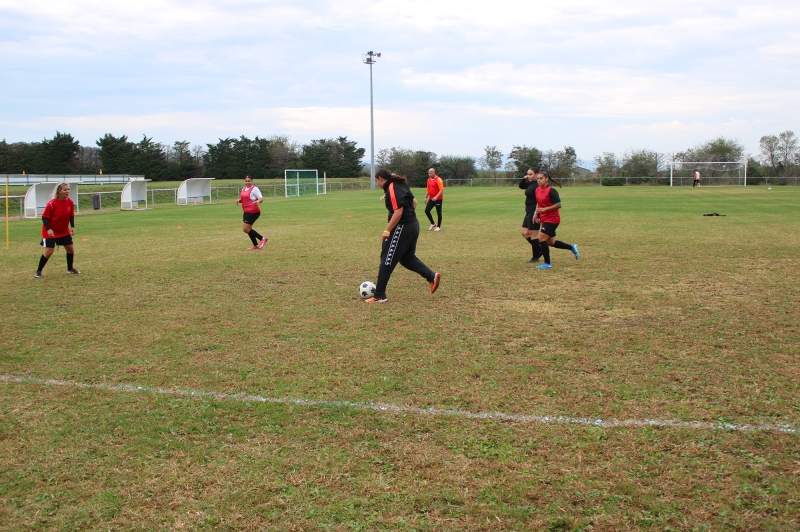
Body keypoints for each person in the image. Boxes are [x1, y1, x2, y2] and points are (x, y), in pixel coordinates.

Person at [365, 169, 441, 303]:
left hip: (403, 226)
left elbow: (398, 212)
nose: (377, 184)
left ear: (380, 179)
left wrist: (387, 230)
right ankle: (431, 276)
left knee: (387, 258)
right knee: (406, 258)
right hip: (413, 225)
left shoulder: (392, 188)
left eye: (376, 181)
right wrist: (409, 216)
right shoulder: (399, 184)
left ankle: (379, 295)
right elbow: (415, 203)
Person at [534, 171, 579, 269]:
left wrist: (545, 209)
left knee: (542, 239)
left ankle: (547, 263)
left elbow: (558, 205)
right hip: (544, 218)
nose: (539, 180)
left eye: (541, 178)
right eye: (537, 179)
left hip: (553, 219)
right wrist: (536, 214)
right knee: (551, 242)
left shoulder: (552, 191)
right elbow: (539, 203)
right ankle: (571, 247)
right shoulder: (537, 190)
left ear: (547, 179)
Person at [35, 182, 79, 278]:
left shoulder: (70, 202)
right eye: (65, 190)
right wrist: (49, 229)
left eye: (68, 189)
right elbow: (44, 218)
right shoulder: (51, 204)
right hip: (51, 231)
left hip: (63, 230)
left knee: (70, 250)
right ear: (59, 191)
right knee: (48, 252)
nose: (67, 191)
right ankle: (38, 271)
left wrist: (72, 226)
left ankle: (70, 269)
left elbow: (71, 215)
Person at [235, 176, 267, 250]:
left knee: (245, 229)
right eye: (246, 181)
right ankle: (255, 245)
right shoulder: (244, 188)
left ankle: (262, 238)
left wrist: (257, 201)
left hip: (253, 211)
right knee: (249, 229)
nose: (247, 182)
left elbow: (261, 198)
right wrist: (239, 200)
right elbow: (244, 199)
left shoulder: (255, 189)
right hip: (246, 211)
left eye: (249, 181)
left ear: (252, 181)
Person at [519, 167, 542, 263]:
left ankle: (535, 257)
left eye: (531, 174)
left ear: (537, 174)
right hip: (528, 210)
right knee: (524, 233)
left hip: (534, 211)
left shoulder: (538, 185)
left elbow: (541, 200)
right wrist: (524, 178)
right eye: (528, 174)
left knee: (534, 235)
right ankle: (540, 249)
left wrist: (537, 213)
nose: (528, 176)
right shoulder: (530, 183)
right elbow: (521, 186)